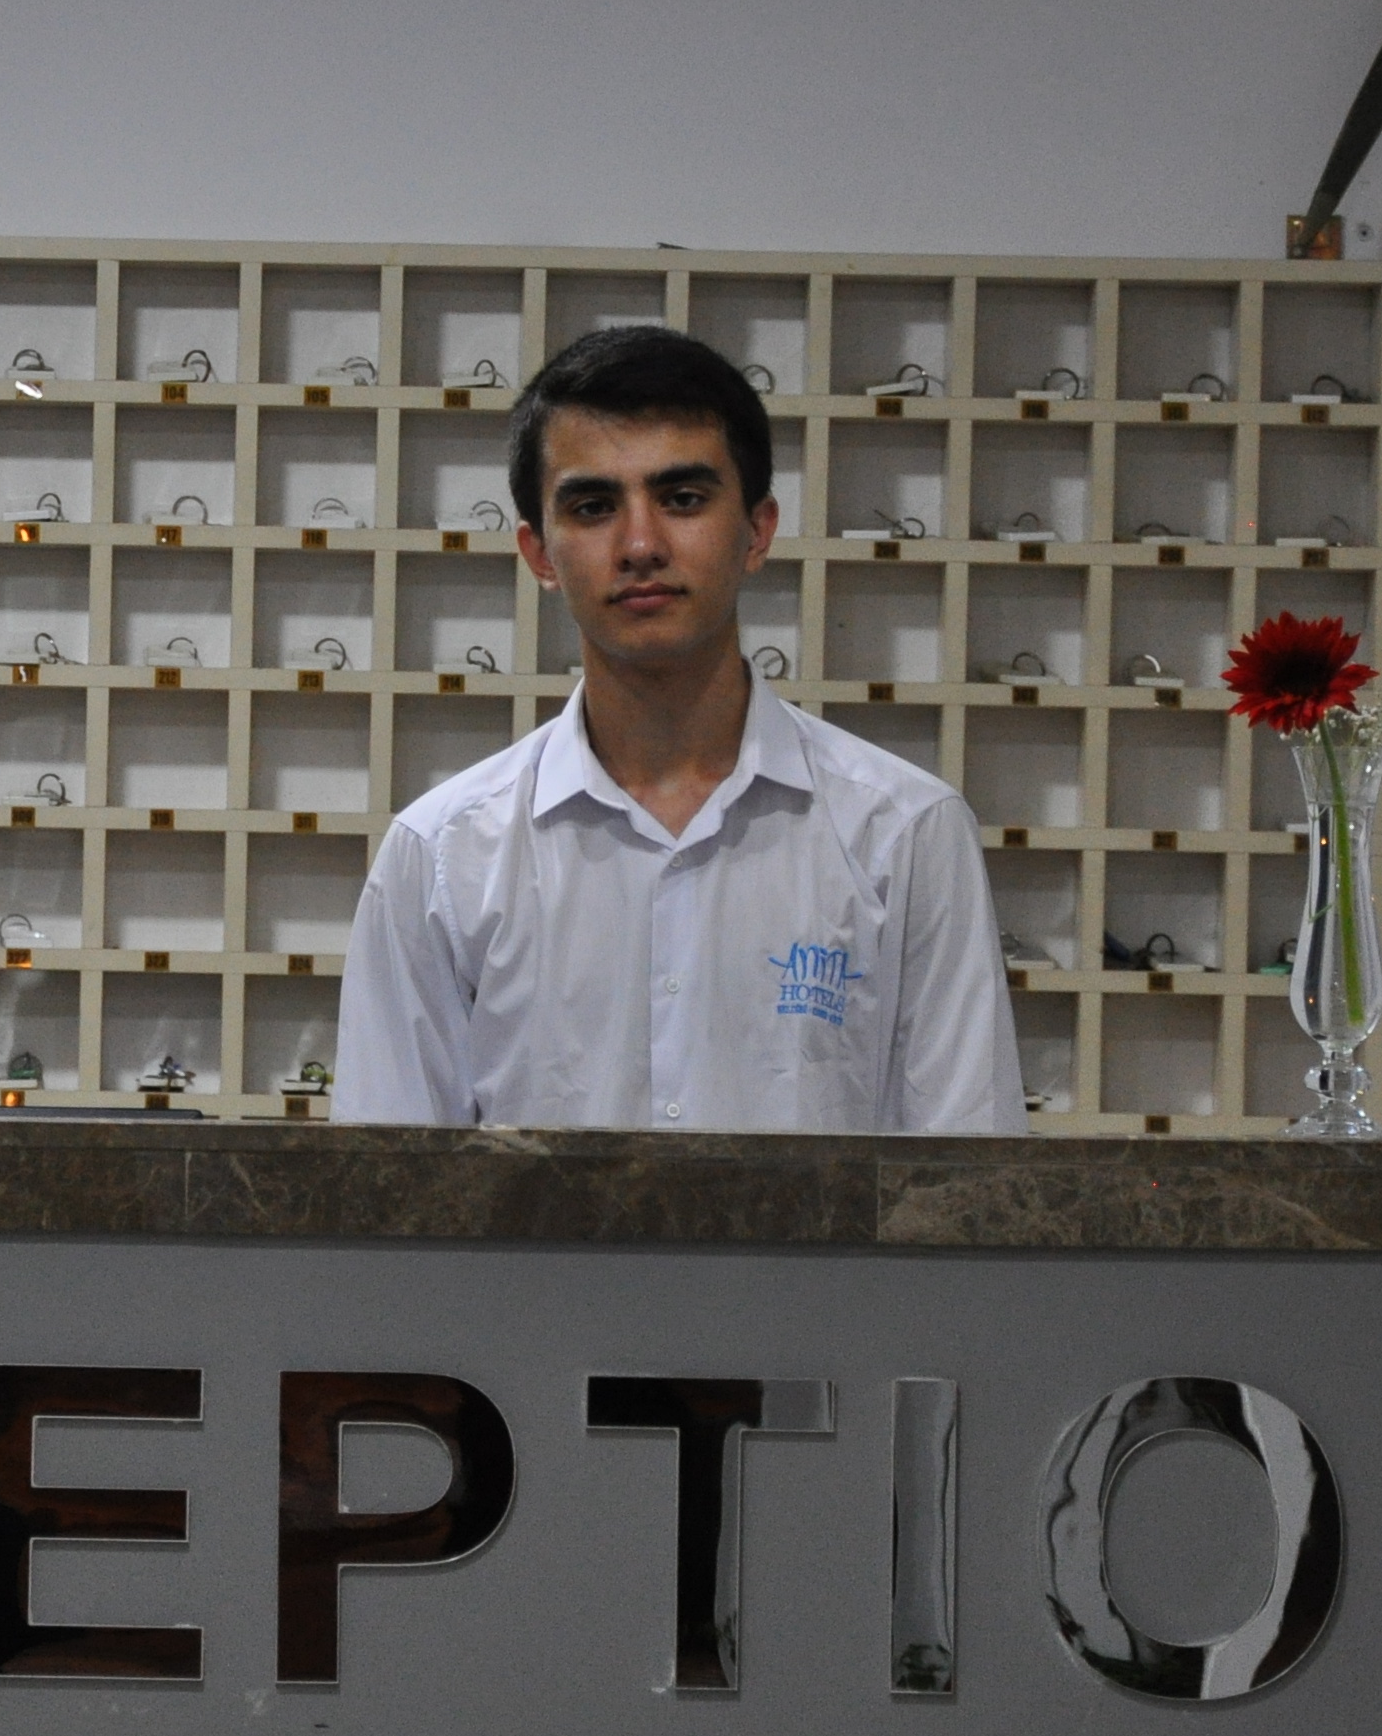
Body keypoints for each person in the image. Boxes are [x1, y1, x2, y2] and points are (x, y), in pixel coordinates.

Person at [337, 325, 1024, 1133]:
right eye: (594, 507)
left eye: (684, 499)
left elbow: (966, 1169)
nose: (640, 545)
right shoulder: (440, 857)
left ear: (757, 530)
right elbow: (388, 1183)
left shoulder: (904, 834)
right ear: (540, 553)